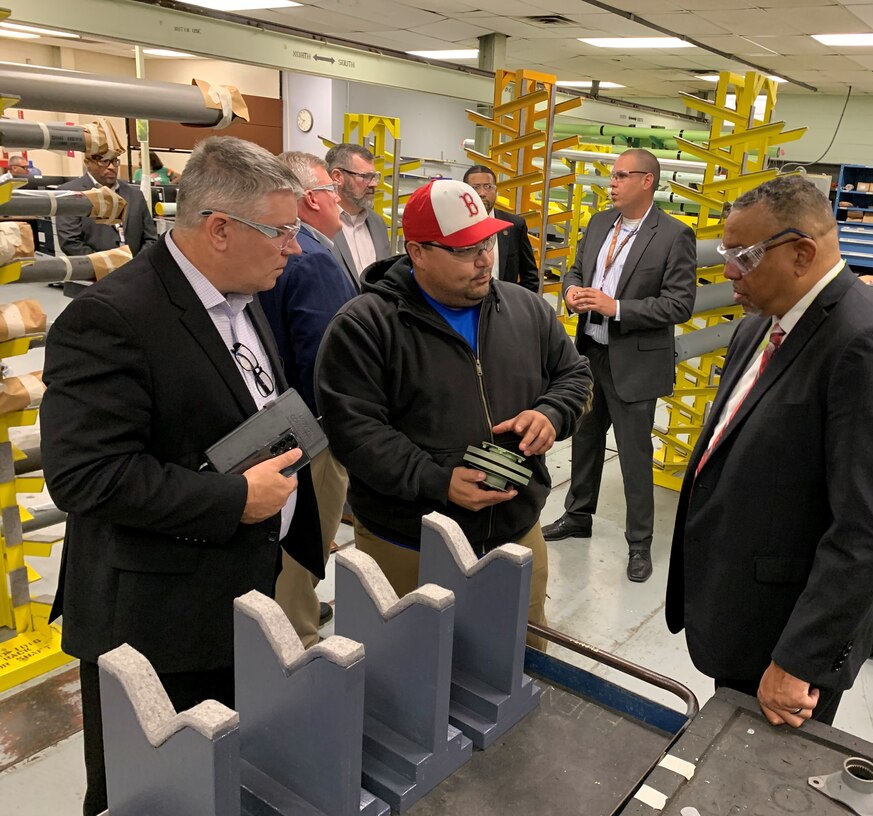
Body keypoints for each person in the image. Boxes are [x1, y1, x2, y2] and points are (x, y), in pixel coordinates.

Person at [40, 135, 323, 816]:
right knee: (150, 795)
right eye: (283, 231)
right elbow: (86, 477)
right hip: (152, 623)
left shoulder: (243, 296)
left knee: (215, 781)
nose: (297, 248)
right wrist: (234, 499)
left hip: (233, 594)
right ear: (220, 229)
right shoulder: (111, 319)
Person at [665, 174, 873, 727]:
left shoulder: (869, 345)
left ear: (802, 253)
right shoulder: (760, 325)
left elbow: (870, 527)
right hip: (740, 604)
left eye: (741, 256)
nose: (728, 273)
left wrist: (798, 659)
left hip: (786, 629)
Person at [316, 179, 592, 651]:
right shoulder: (365, 326)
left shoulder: (526, 309)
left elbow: (574, 375)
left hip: (514, 534)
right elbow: (355, 432)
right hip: (409, 544)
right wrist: (437, 480)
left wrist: (551, 414)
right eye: (464, 249)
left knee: (519, 660)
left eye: (485, 241)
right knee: (408, 668)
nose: (484, 258)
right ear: (417, 252)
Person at [542, 148, 696, 582]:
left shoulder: (672, 235)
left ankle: (639, 543)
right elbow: (574, 271)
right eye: (611, 176)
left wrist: (618, 307)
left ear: (647, 181)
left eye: (620, 176)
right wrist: (572, 292)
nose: (611, 183)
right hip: (590, 353)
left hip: (635, 361)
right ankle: (577, 515)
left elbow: (680, 304)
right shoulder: (598, 224)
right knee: (585, 440)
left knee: (633, 455)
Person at [258, 151, 357, 646]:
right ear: (313, 199)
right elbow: (328, 360)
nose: (341, 202)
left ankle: (300, 606)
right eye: (334, 193)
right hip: (311, 430)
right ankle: (296, 634)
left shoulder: (290, 250)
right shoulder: (314, 259)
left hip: (274, 419)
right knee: (307, 533)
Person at [56, 152, 157, 257]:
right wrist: (106, 265)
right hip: (95, 270)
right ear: (88, 163)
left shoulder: (135, 195)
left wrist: (136, 265)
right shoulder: (70, 193)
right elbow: (70, 242)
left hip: (135, 269)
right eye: (104, 161)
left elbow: (151, 239)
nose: (112, 167)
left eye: (115, 161)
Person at [462, 164, 539, 292]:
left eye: (488, 187)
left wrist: (515, 305)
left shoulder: (514, 225)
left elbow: (530, 277)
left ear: (496, 190)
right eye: (475, 188)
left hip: (503, 305)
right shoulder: (455, 224)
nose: (482, 193)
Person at [326, 143, 391, 286]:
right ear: (337, 177)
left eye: (375, 176)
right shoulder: (321, 224)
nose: (374, 184)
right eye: (365, 176)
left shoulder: (378, 223)